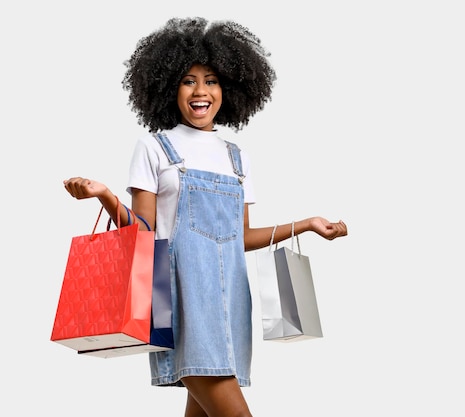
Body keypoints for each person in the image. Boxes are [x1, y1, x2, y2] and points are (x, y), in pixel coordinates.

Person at [63, 17, 348, 417]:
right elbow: (144, 232)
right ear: (169, 88)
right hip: (180, 302)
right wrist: (106, 196)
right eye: (188, 80)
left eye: (211, 80)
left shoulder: (237, 157)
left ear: (228, 88)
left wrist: (307, 225)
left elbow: (241, 237)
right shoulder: (154, 148)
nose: (201, 92)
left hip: (230, 304)